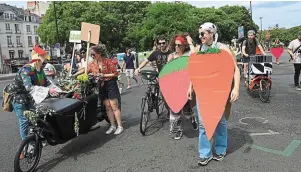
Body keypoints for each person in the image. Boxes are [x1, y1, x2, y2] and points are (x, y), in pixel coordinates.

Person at [187, 22, 240, 166]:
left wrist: (236, 88)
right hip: (203, 91)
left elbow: (235, 69)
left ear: (212, 34)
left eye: (203, 33)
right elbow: (195, 70)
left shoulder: (223, 49)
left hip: (219, 91)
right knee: (203, 123)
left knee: (220, 121)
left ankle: (220, 150)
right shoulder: (198, 50)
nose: (200, 36)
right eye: (199, 34)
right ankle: (205, 154)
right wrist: (190, 86)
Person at [9, 45, 58, 141]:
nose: (45, 63)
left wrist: (58, 89)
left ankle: (37, 138)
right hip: (18, 98)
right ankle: (26, 146)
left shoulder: (39, 71)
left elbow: (47, 83)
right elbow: (29, 88)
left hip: (29, 98)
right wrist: (48, 90)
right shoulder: (25, 70)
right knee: (24, 121)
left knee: (36, 116)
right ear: (37, 60)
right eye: (43, 61)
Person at [73, 46, 123, 135]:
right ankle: (112, 125)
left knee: (114, 105)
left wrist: (104, 75)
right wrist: (74, 74)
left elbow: (115, 73)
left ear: (99, 53)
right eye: (91, 55)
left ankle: (119, 126)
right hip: (101, 85)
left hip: (110, 84)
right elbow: (85, 70)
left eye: (93, 54)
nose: (92, 56)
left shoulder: (108, 61)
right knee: (107, 107)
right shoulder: (92, 64)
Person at [167, 33, 198, 140]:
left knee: (187, 110)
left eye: (179, 45)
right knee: (175, 110)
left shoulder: (189, 54)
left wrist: (190, 42)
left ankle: (192, 118)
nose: (176, 47)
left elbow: (195, 54)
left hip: (187, 86)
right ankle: (178, 130)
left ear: (184, 46)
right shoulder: (172, 56)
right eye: (175, 45)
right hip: (175, 87)